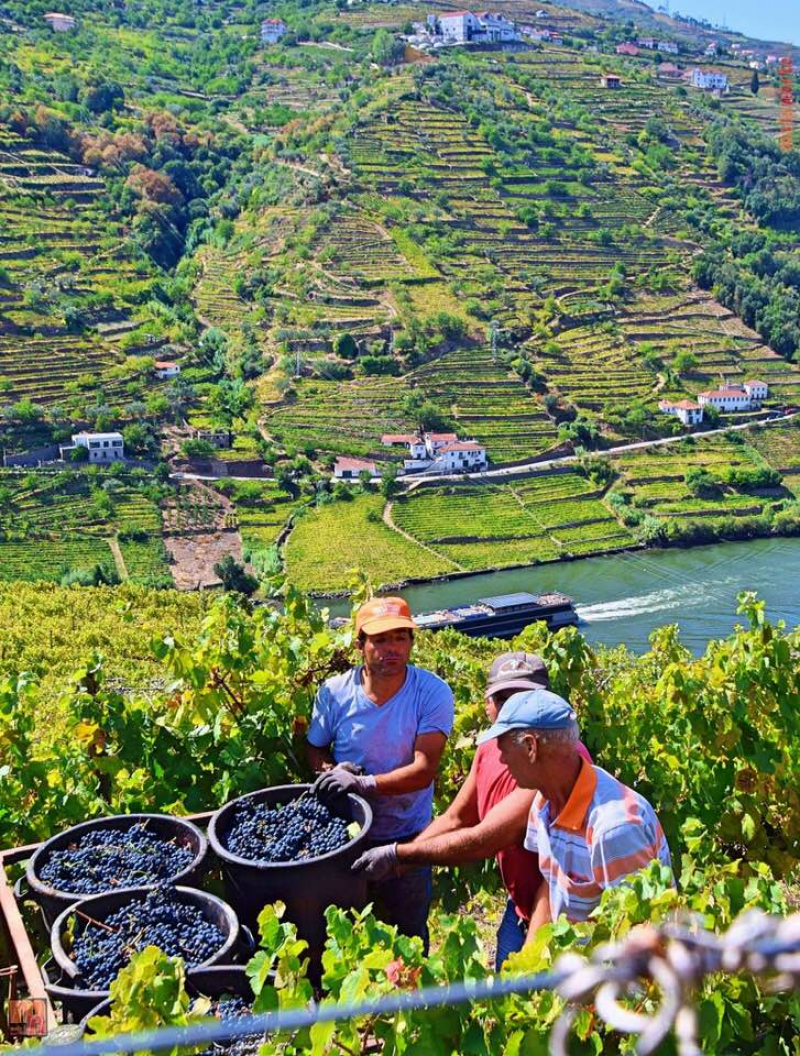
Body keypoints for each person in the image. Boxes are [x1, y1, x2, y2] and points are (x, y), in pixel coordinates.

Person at [353, 652, 592, 968]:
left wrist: (399, 856)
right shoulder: (492, 749)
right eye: (504, 698)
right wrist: (400, 863)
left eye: (527, 697)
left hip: (557, 910)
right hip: (520, 905)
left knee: (528, 997)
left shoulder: (555, 760)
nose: (515, 707)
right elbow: (456, 818)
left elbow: (486, 838)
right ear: (488, 704)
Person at [307, 596, 454, 949]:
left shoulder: (431, 693)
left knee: (409, 936)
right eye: (381, 640)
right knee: (350, 939)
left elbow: (423, 771)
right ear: (360, 645)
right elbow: (315, 747)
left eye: (400, 638)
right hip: (347, 840)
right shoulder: (334, 693)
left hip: (407, 839)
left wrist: (361, 784)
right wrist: (330, 770)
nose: (392, 649)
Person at [477, 688, 672, 941]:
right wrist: (529, 964)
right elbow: (552, 886)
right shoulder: (543, 804)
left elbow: (644, 933)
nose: (501, 760)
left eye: (503, 749)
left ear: (530, 747)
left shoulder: (614, 829)